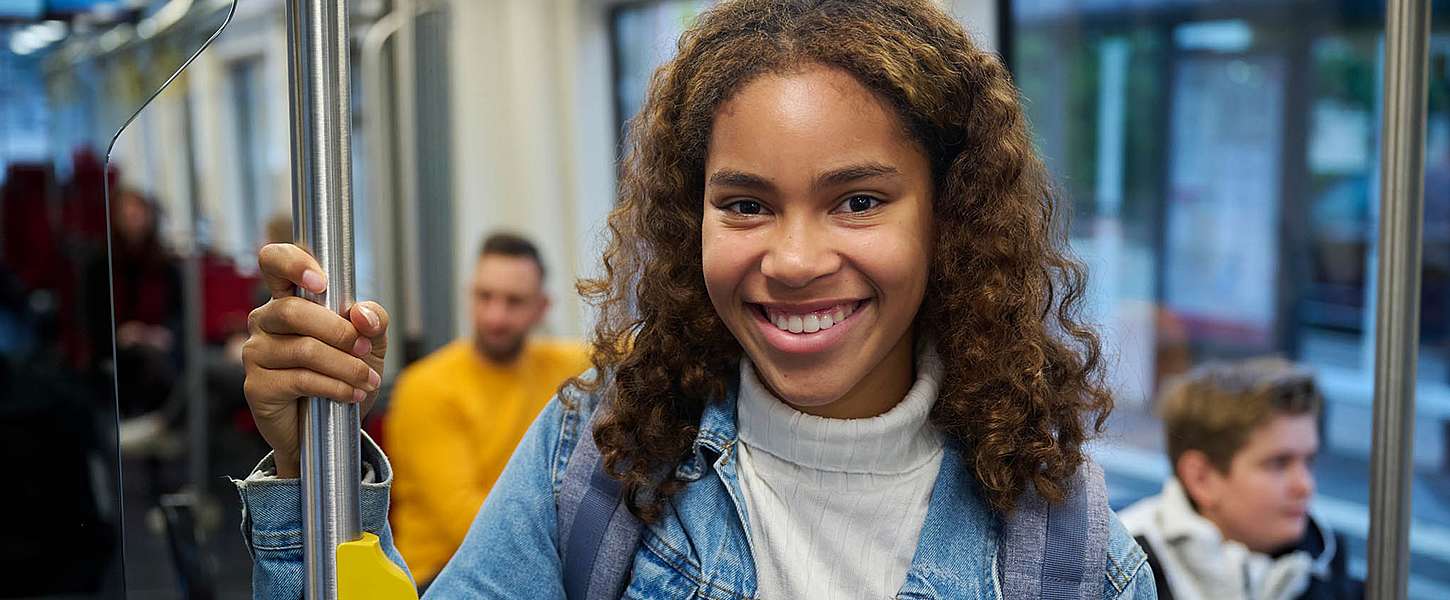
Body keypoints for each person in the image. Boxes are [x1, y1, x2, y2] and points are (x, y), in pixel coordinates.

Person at [235, 0, 1156, 597]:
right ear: (692, 219)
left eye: (859, 200)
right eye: (746, 205)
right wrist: (302, 472)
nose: (793, 260)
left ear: (949, 215)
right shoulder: (599, 457)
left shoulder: (1067, 558)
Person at [385, 232, 589, 586]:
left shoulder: (558, 365)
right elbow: (468, 524)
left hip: (529, 563)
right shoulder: (427, 387)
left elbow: (635, 347)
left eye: (514, 301)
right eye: (485, 297)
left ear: (542, 307)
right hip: (440, 576)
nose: (495, 316)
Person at [1120, 358, 1362, 600]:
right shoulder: (1120, 568)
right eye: (1279, 464)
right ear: (1201, 478)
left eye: (1308, 461)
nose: (1305, 486)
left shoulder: (1327, 562)